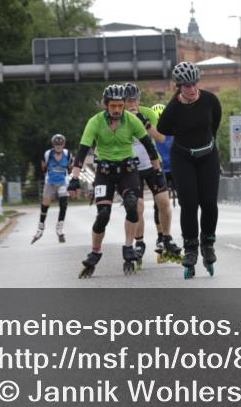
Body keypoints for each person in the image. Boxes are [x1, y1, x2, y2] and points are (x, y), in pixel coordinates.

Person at [67, 84, 162, 278]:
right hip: (105, 172)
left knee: (132, 206)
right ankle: (95, 251)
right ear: (106, 106)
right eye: (113, 106)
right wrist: (74, 178)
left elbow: (149, 147)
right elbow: (82, 150)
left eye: (120, 105)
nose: (117, 110)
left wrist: (158, 171)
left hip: (128, 170)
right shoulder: (95, 122)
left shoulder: (132, 120)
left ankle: (128, 247)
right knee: (103, 215)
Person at [156, 62, 222, 279]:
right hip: (182, 157)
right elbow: (163, 128)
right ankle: (191, 248)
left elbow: (214, 125)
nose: (192, 89)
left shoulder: (210, 100)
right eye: (186, 86)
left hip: (208, 155)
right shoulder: (173, 108)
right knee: (190, 203)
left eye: (194, 84)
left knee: (209, 203)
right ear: (178, 87)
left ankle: (208, 243)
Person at [123, 84, 182, 265]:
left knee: (163, 202)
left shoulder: (148, 113)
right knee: (138, 207)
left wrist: (145, 123)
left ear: (139, 100)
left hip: (152, 164)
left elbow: (161, 138)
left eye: (135, 100)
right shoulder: (118, 118)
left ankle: (166, 237)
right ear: (122, 103)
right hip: (132, 168)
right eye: (128, 101)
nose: (132, 104)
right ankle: (139, 242)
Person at [33, 134, 72, 244]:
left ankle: (59, 227)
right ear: (53, 145)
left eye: (60, 144)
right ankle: (41, 227)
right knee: (45, 205)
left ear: (64, 144)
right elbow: (43, 167)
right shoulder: (48, 154)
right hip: (50, 181)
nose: (58, 146)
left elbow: (70, 167)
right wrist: (49, 174)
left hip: (62, 182)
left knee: (63, 203)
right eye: (56, 144)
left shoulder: (67, 154)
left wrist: (68, 175)